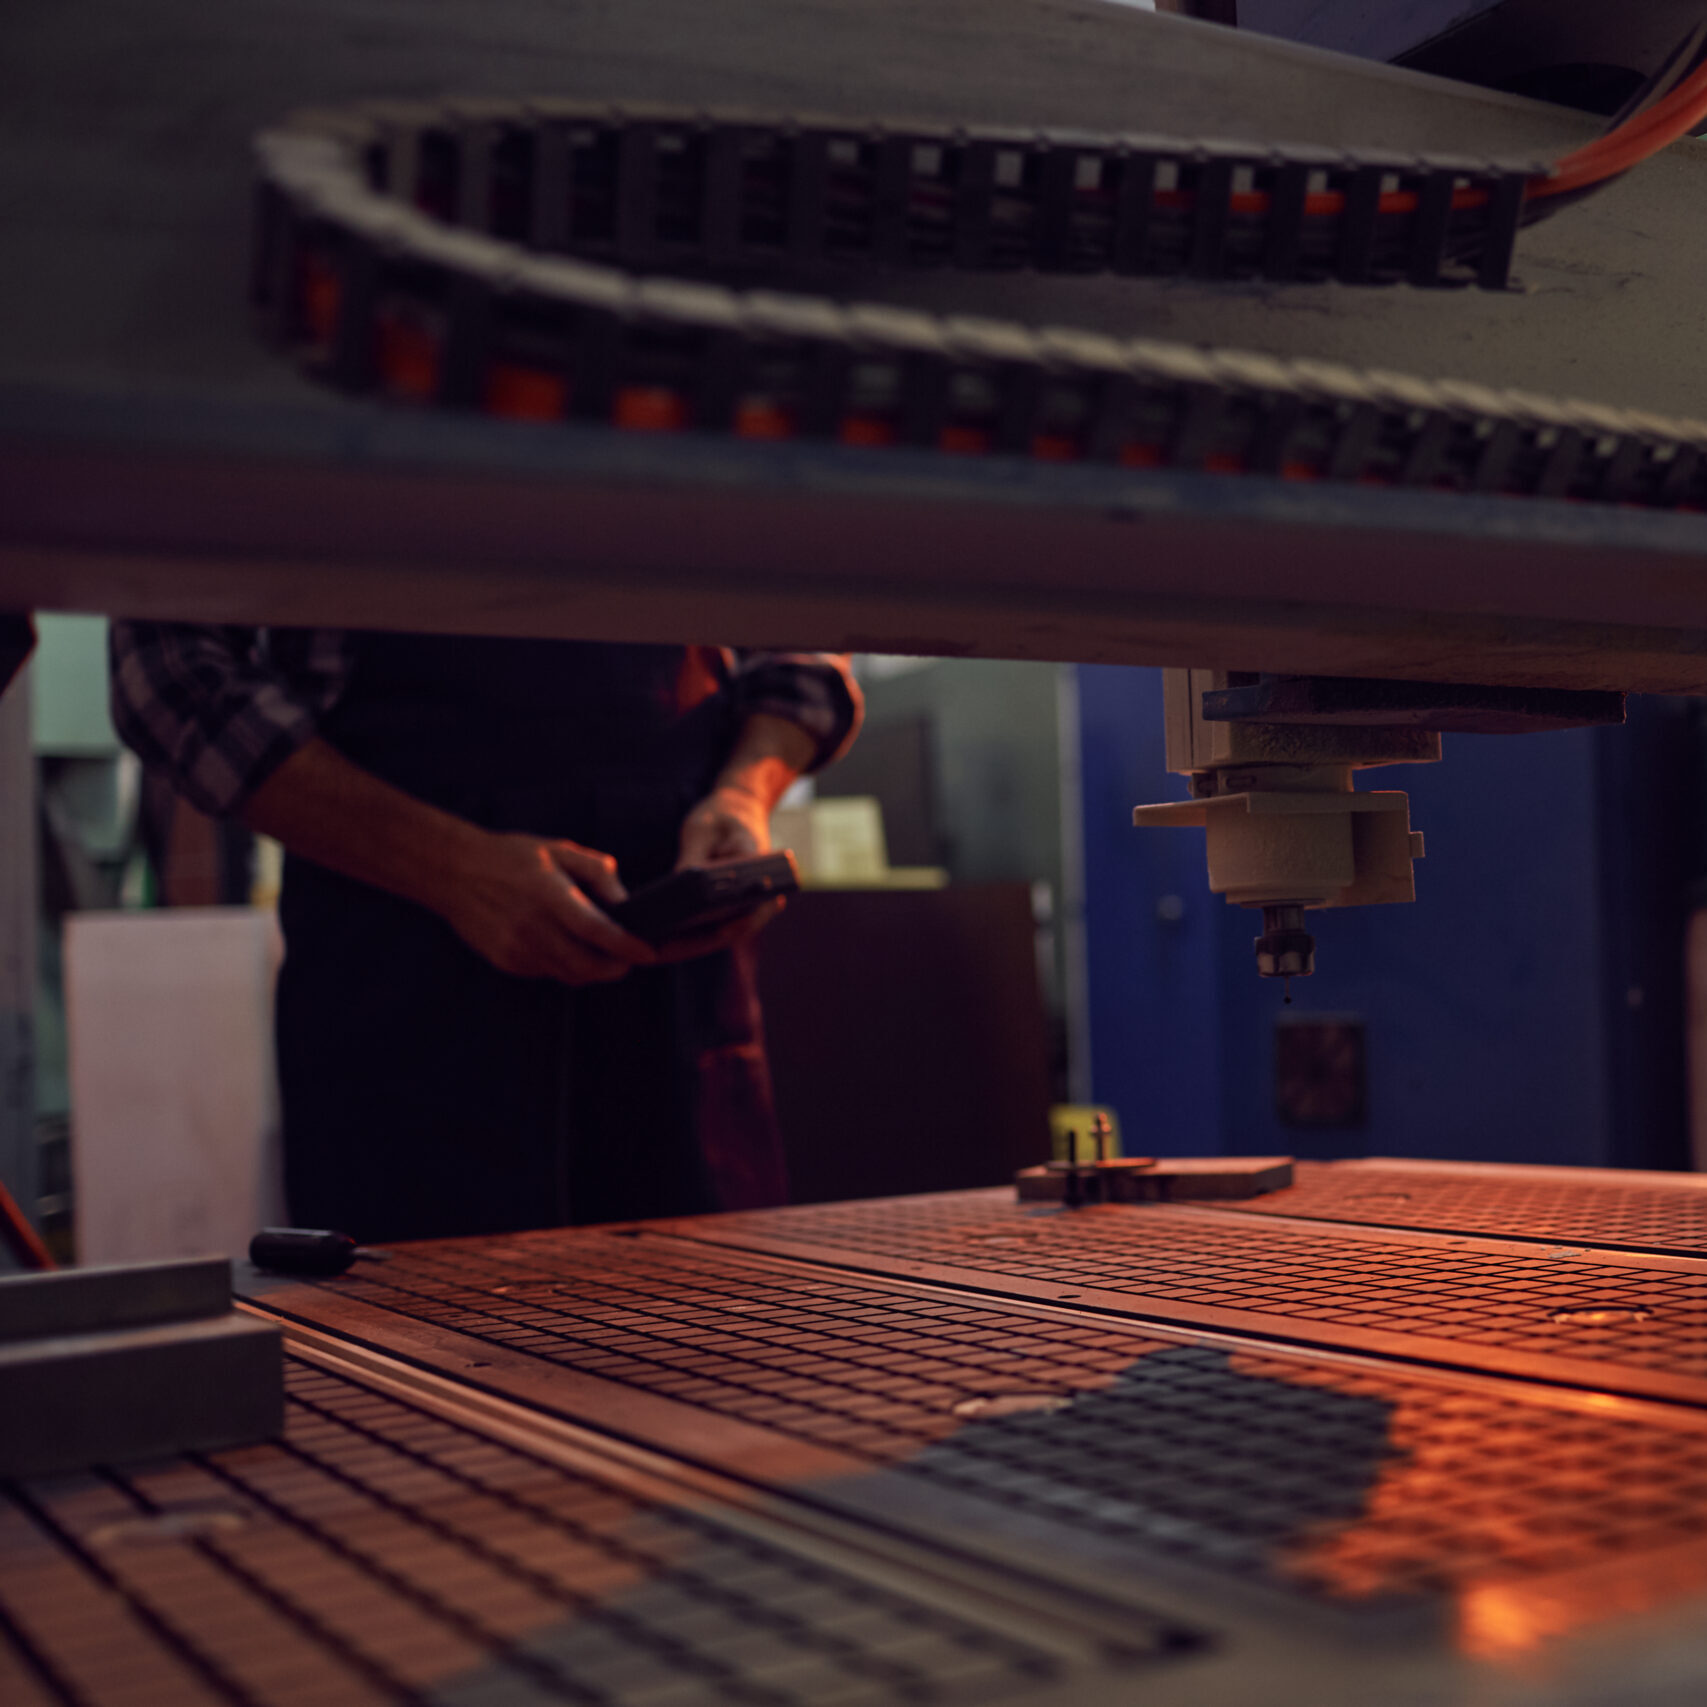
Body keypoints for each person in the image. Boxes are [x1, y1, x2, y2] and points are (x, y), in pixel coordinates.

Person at [109, 625, 861, 1243]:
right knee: (421, 1368)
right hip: (400, 969)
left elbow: (805, 649)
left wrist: (743, 790)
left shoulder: (722, 449)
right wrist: (445, 864)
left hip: (675, 977)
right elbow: (169, 674)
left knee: (713, 1346)